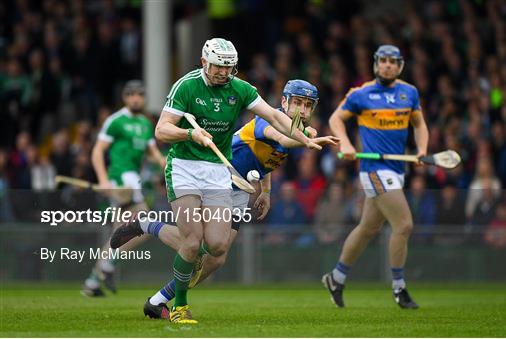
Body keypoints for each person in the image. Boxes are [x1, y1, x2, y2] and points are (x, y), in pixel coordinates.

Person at [112, 38, 329, 325]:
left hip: (220, 172)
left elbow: (272, 136)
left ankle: (157, 295)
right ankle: (179, 306)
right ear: (204, 62)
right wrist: (192, 134)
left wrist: (277, 173)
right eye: (218, 67)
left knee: (216, 249)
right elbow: (162, 130)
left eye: (229, 68)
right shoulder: (186, 86)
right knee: (192, 242)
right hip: (186, 167)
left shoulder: (240, 89)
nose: (224, 73)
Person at [322, 45, 429, 309]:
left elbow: (420, 124)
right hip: (374, 171)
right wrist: (346, 144)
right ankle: (399, 287)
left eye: (393, 61)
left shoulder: (409, 93)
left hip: (397, 170)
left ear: (400, 66)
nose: (388, 65)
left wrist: (422, 151)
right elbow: (336, 119)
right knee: (404, 224)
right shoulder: (361, 94)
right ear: (375, 64)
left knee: (368, 228)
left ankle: (336, 278)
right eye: (383, 61)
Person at [82, 80, 166, 297]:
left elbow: (152, 153)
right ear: (125, 98)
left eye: (139, 94)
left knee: (120, 232)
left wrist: (166, 164)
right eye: (131, 94)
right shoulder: (116, 121)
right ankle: (108, 264)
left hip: (134, 179)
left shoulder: (147, 124)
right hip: (121, 179)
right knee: (143, 224)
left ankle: (93, 280)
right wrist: (103, 179)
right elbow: (98, 151)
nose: (135, 98)